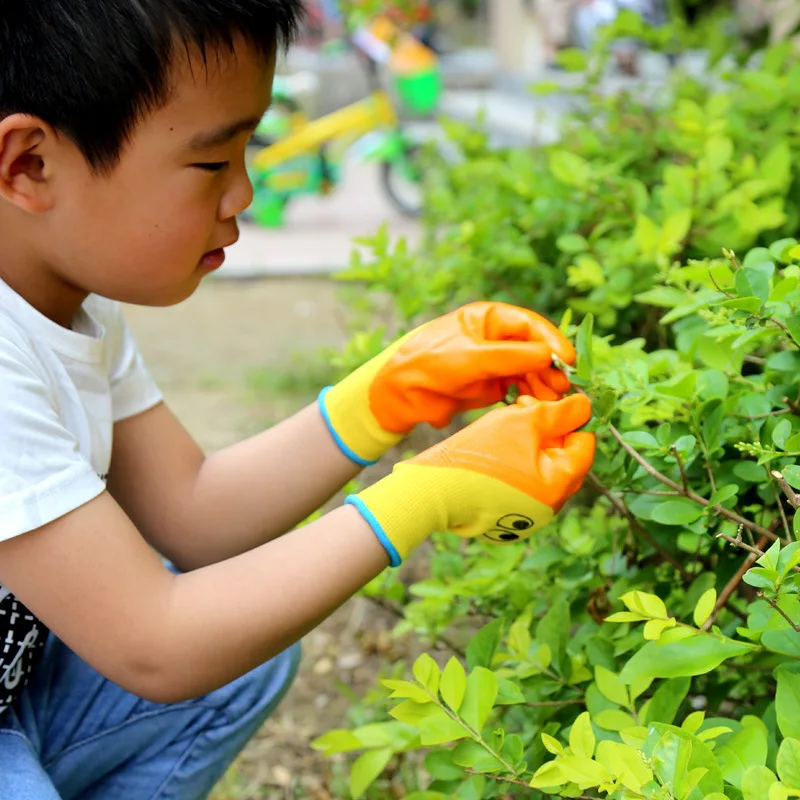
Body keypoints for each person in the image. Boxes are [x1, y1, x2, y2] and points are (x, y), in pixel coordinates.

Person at [0, 2, 595, 798]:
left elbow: (191, 511)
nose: (242, 192)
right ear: (29, 165)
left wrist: (384, 396)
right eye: (212, 163)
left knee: (244, 652)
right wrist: (423, 496)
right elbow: (155, 642)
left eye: (250, 150)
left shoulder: (65, 296)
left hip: (22, 697)